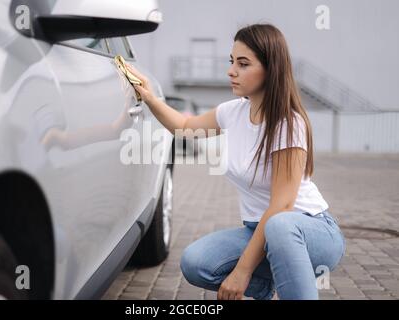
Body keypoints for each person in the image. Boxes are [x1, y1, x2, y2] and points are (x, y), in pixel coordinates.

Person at [126, 23, 346, 300]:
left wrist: (242, 272)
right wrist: (149, 97)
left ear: (270, 69)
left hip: (310, 232)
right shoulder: (232, 112)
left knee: (280, 225)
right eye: (232, 62)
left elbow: (282, 207)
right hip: (261, 232)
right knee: (195, 263)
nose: (231, 71)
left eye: (243, 64)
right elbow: (184, 125)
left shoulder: (288, 124)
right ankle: (268, 286)